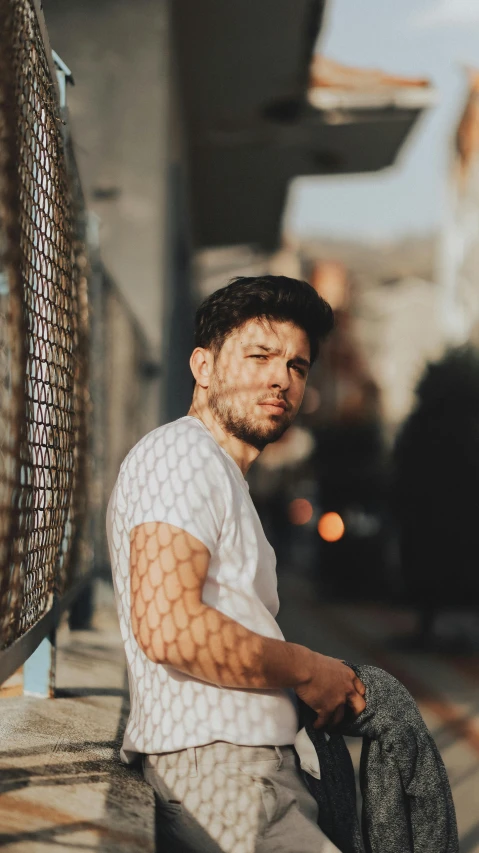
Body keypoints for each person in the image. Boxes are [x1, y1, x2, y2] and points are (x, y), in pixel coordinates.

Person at [106, 275, 367, 853]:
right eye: (260, 356)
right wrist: (306, 668)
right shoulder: (181, 454)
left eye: (297, 366)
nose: (281, 378)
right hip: (222, 771)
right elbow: (169, 628)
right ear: (203, 366)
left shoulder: (221, 474)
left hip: (245, 770)